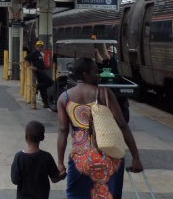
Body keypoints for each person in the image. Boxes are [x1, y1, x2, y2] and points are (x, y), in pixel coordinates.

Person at [56, 57, 143, 199]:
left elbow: (63, 131)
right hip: (109, 156)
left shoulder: (64, 98)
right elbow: (122, 124)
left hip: (81, 160)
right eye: (95, 72)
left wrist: (60, 163)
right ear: (85, 74)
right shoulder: (104, 93)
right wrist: (135, 157)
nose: (99, 75)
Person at [11, 120, 66, 199]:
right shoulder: (47, 157)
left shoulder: (19, 157)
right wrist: (62, 175)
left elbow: (15, 180)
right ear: (42, 137)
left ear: (26, 136)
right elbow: (54, 178)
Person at [25, 40, 52, 108]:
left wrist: (46, 67)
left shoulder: (39, 54)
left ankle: (45, 103)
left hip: (42, 71)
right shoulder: (34, 53)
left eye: (41, 46)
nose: (40, 48)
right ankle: (36, 87)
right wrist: (31, 67)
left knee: (43, 89)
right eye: (39, 46)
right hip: (39, 72)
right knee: (50, 82)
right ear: (36, 47)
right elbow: (26, 59)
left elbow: (40, 63)